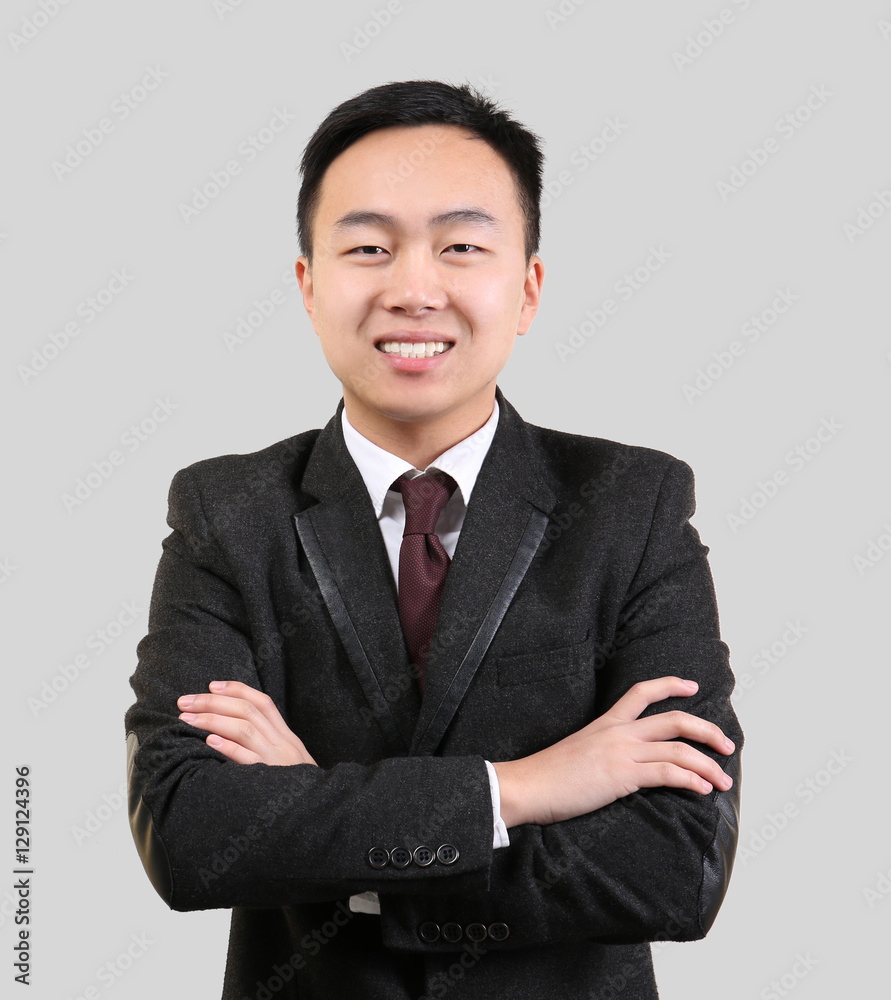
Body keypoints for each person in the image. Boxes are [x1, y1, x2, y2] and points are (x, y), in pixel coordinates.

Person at [125, 79, 743, 1000]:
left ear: (527, 287)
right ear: (308, 285)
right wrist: (525, 788)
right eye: (369, 247)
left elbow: (675, 865)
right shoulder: (227, 511)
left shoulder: (631, 502)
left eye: (460, 246)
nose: (413, 289)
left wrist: (328, 834)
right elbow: (189, 836)